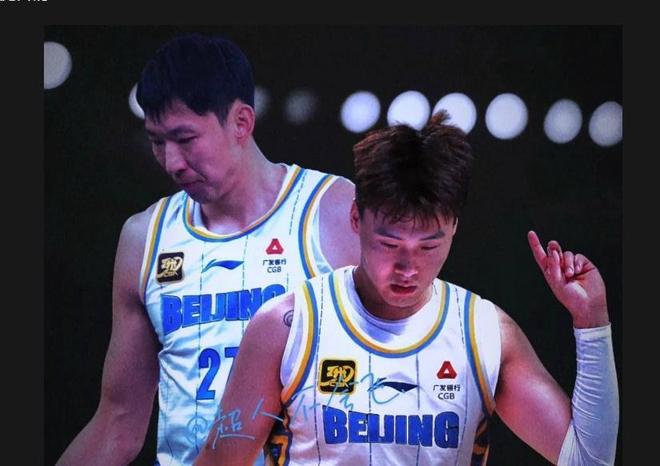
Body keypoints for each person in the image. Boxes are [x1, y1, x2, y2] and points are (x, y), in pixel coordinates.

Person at [193, 112, 619, 466]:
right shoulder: (286, 326)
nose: (408, 267)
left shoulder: (486, 334)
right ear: (356, 219)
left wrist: (591, 322)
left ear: (454, 228)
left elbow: (589, 461)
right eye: (389, 243)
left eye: (428, 246)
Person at [56, 33, 360, 466]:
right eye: (157, 141)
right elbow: (118, 424)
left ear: (241, 122)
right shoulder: (145, 239)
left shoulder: (334, 213)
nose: (171, 162)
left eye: (185, 138)